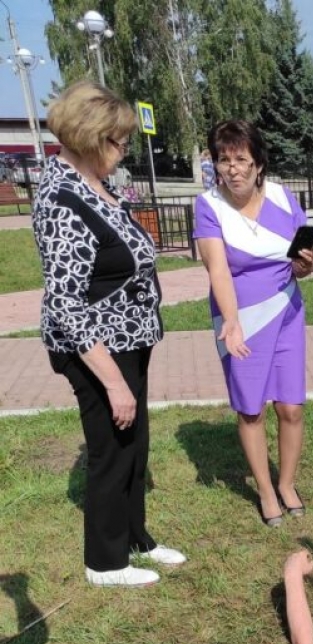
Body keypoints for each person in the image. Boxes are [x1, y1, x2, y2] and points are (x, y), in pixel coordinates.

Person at [32, 80, 186, 588]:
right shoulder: (60, 198)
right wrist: (114, 384)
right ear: (92, 138)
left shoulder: (99, 185)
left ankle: (135, 537)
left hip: (129, 338)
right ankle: (104, 562)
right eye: (118, 142)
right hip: (95, 348)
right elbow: (66, 305)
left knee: (134, 445)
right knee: (111, 449)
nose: (123, 151)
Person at [193, 120, 313, 526]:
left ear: (258, 163)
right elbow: (218, 270)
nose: (233, 168)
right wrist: (231, 320)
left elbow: (302, 264)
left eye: (242, 159)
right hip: (239, 321)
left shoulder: (283, 197)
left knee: (291, 406)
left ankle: (286, 483)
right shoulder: (208, 205)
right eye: (223, 160)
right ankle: (265, 490)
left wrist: (305, 265)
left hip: (287, 313)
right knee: (251, 410)